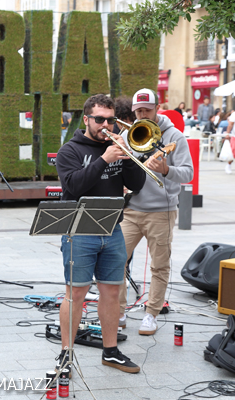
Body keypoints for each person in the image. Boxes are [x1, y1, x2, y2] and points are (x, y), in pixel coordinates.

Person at [55, 94, 146, 376]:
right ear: (86, 119)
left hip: (112, 229)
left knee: (111, 292)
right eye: (99, 119)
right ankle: (66, 354)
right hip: (79, 231)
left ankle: (111, 352)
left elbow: (137, 184)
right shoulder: (69, 151)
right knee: (76, 293)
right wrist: (105, 159)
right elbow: (73, 186)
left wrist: (127, 156)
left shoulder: (117, 145)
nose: (106, 125)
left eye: (110, 120)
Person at [118, 88, 194, 334]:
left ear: (157, 108)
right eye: (138, 111)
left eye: (147, 110)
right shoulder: (127, 133)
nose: (142, 115)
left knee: (159, 266)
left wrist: (166, 171)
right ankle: (118, 312)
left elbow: (188, 173)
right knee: (116, 261)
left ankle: (151, 313)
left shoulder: (176, 137)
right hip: (131, 209)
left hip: (161, 211)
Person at [224, 109, 235, 174]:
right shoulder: (234, 114)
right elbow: (230, 124)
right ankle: (228, 165)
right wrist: (227, 133)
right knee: (233, 152)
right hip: (234, 136)